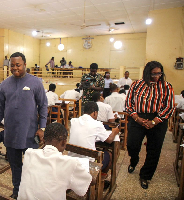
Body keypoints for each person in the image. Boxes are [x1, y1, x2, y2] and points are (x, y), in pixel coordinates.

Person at [0, 52, 48, 199]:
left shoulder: (35, 82)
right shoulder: (4, 84)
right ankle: (17, 191)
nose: (15, 68)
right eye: (12, 65)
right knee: (15, 166)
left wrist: (42, 127)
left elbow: (43, 106)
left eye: (18, 65)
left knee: (32, 166)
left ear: (24, 64)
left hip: (30, 134)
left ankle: (32, 192)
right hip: (10, 134)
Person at [125, 61, 175, 189]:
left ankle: (145, 175)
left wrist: (154, 121)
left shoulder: (166, 86)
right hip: (138, 118)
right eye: (153, 74)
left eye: (159, 73)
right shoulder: (136, 84)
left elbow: (169, 107)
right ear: (147, 73)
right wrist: (137, 118)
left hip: (158, 120)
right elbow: (128, 104)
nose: (157, 76)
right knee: (132, 144)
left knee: (154, 149)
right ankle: (134, 160)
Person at [18, 123, 92, 199]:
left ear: (43, 140)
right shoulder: (70, 163)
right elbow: (86, 185)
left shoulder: (29, 154)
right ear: (64, 142)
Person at [68, 101, 119, 187]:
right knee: (109, 155)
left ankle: (94, 179)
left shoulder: (74, 121)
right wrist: (114, 132)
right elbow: (109, 140)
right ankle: (96, 181)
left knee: (93, 150)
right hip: (87, 165)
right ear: (95, 112)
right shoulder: (97, 124)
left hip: (72, 160)